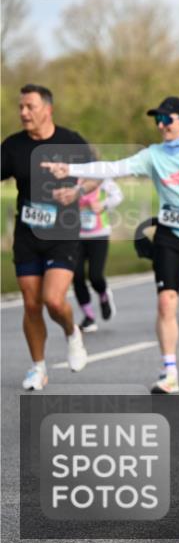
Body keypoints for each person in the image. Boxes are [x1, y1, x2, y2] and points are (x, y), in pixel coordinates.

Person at [43, 96, 179, 392]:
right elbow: (115, 168)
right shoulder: (154, 155)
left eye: (167, 119)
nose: (161, 125)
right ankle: (169, 372)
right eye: (157, 120)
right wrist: (72, 171)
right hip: (169, 237)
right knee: (166, 302)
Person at [2, 84, 91, 390]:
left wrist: (78, 190)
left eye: (30, 106)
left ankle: (72, 332)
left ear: (47, 109)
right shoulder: (12, 146)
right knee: (30, 304)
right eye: (21, 107)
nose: (24, 113)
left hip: (62, 232)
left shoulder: (71, 141)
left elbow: (95, 175)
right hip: (28, 234)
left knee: (53, 300)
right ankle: (38, 367)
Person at [75, 174, 124, 331]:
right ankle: (89, 317)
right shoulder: (69, 176)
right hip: (74, 235)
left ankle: (104, 295)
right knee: (76, 276)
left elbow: (117, 195)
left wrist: (102, 204)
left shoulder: (100, 178)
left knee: (95, 275)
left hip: (98, 234)